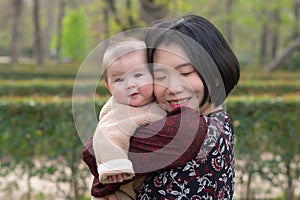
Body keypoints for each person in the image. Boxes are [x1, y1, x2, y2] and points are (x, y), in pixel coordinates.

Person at [83, 14, 240, 199]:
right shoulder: (219, 120)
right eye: (160, 76)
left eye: (185, 72)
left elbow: (92, 153)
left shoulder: (189, 128)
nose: (172, 88)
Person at [92, 37, 166, 199]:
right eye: (119, 79)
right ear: (109, 87)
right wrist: (114, 166)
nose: (130, 84)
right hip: (117, 193)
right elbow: (105, 134)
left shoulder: (155, 102)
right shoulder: (122, 111)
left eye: (138, 75)